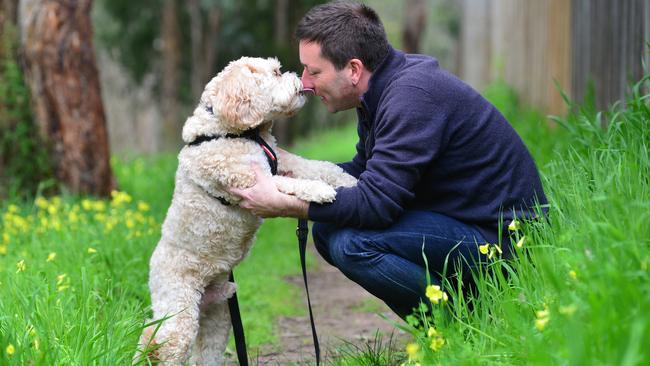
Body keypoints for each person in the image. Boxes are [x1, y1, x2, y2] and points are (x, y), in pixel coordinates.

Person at [230, 0, 547, 318]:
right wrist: (288, 171)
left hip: (508, 243)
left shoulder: (411, 97)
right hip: (466, 223)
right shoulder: (381, 91)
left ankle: (460, 326)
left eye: (314, 71)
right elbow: (364, 173)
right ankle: (452, 320)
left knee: (352, 243)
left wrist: (285, 204)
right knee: (327, 231)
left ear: (353, 69)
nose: (305, 83)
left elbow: (376, 204)